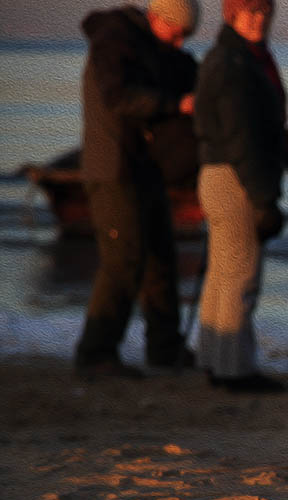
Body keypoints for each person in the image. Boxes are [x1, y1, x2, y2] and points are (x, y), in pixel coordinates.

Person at [75, 0, 200, 379]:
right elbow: (119, 96)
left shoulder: (154, 49)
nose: (179, 43)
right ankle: (96, 353)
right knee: (123, 260)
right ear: (157, 19)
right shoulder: (115, 40)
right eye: (176, 33)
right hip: (113, 167)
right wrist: (177, 103)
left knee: (162, 258)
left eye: (185, 37)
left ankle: (164, 348)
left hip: (145, 167)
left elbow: (183, 74)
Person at [193, 0, 288, 393]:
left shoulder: (233, 57)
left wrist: (283, 146)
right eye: (250, 12)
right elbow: (243, 138)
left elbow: (253, 129)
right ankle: (234, 370)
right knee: (240, 274)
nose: (259, 20)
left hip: (222, 172)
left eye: (264, 13)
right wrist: (264, 201)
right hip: (236, 177)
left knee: (223, 272)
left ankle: (214, 360)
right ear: (232, 14)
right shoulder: (235, 64)